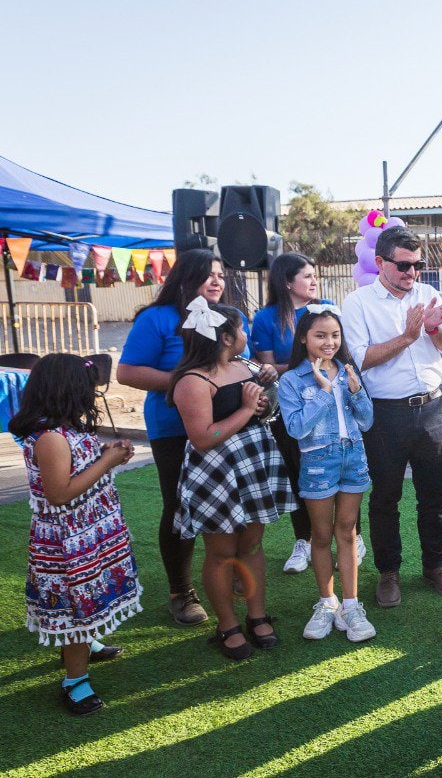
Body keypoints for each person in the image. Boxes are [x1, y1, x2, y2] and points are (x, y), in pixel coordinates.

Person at [118, 248, 266, 627]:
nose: (217, 281)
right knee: (179, 507)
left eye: (220, 274)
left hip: (233, 428)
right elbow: (127, 372)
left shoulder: (228, 317)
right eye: (208, 274)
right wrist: (192, 383)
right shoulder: (157, 318)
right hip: (174, 429)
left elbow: (239, 363)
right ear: (185, 277)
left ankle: (236, 570)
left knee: (237, 504)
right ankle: (180, 591)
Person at [13, 354, 141, 716]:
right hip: (68, 541)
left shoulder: (67, 429)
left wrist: (106, 454)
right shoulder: (51, 438)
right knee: (75, 610)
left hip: (88, 533)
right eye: (88, 388)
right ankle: (75, 679)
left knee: (90, 600)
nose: (93, 394)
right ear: (68, 390)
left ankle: (85, 645)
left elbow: (79, 469)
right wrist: (107, 462)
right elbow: (59, 493)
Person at [343, 225, 442, 607]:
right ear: (380, 262)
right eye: (404, 265)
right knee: (385, 497)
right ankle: (388, 573)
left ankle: (435, 566)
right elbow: (359, 358)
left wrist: (433, 329)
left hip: (432, 408)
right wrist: (408, 337)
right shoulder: (358, 303)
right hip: (384, 413)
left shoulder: (428, 294)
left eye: (418, 265)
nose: (413, 273)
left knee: (435, 496)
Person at [169, 299, 293, 660]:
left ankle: (257, 615)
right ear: (225, 337)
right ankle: (228, 625)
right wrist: (246, 408)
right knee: (222, 552)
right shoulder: (192, 381)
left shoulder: (243, 366)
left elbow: (262, 411)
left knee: (252, 544)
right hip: (217, 471)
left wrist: (262, 403)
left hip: (252, 462)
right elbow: (203, 437)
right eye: (240, 329)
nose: (245, 335)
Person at [252, 252, 365, 575]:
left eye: (315, 275)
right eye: (307, 276)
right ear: (287, 282)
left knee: (346, 470)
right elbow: (266, 367)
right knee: (298, 473)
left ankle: (353, 537)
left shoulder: (327, 307)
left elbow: (340, 353)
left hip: (336, 404)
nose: (314, 281)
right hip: (292, 405)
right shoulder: (266, 317)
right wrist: (300, 369)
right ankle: (304, 539)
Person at [278, 306, 376, 643]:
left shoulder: (348, 371)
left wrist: (355, 391)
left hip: (353, 458)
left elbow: (367, 422)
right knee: (320, 536)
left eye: (335, 335)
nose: (329, 342)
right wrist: (323, 391)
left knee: (347, 532)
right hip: (318, 464)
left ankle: (351, 606)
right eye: (320, 335)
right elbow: (296, 428)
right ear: (303, 339)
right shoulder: (292, 380)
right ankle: (327, 603)